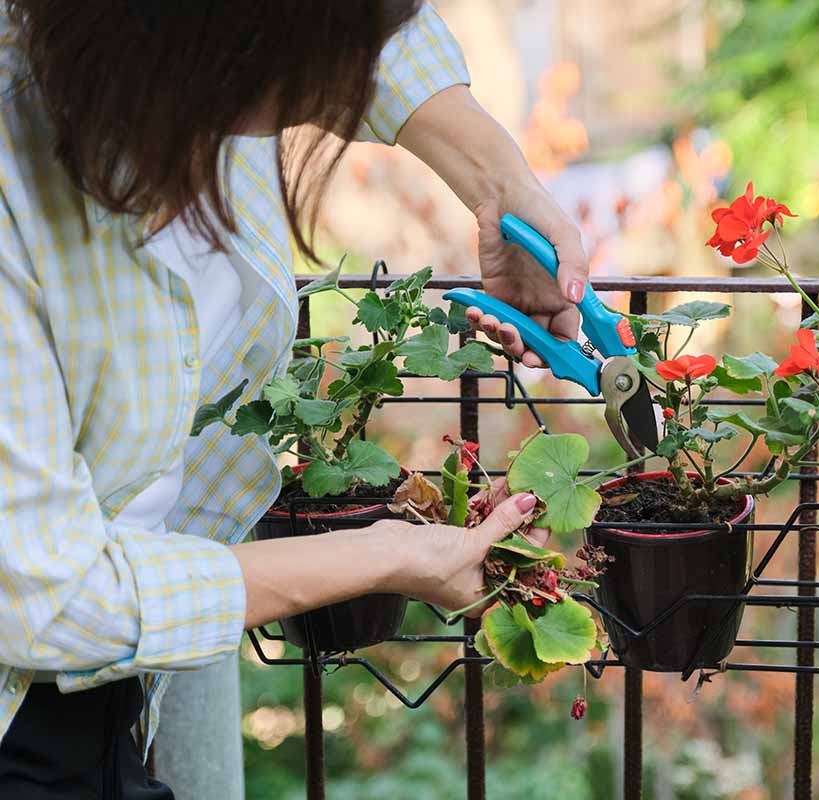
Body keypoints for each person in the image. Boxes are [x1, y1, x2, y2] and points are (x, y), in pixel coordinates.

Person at [0, 2, 584, 797]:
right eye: (321, 68)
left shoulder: (197, 66)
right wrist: (390, 553)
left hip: (112, 697)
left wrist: (502, 187)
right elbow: (53, 597)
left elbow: (377, 34)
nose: (344, 88)